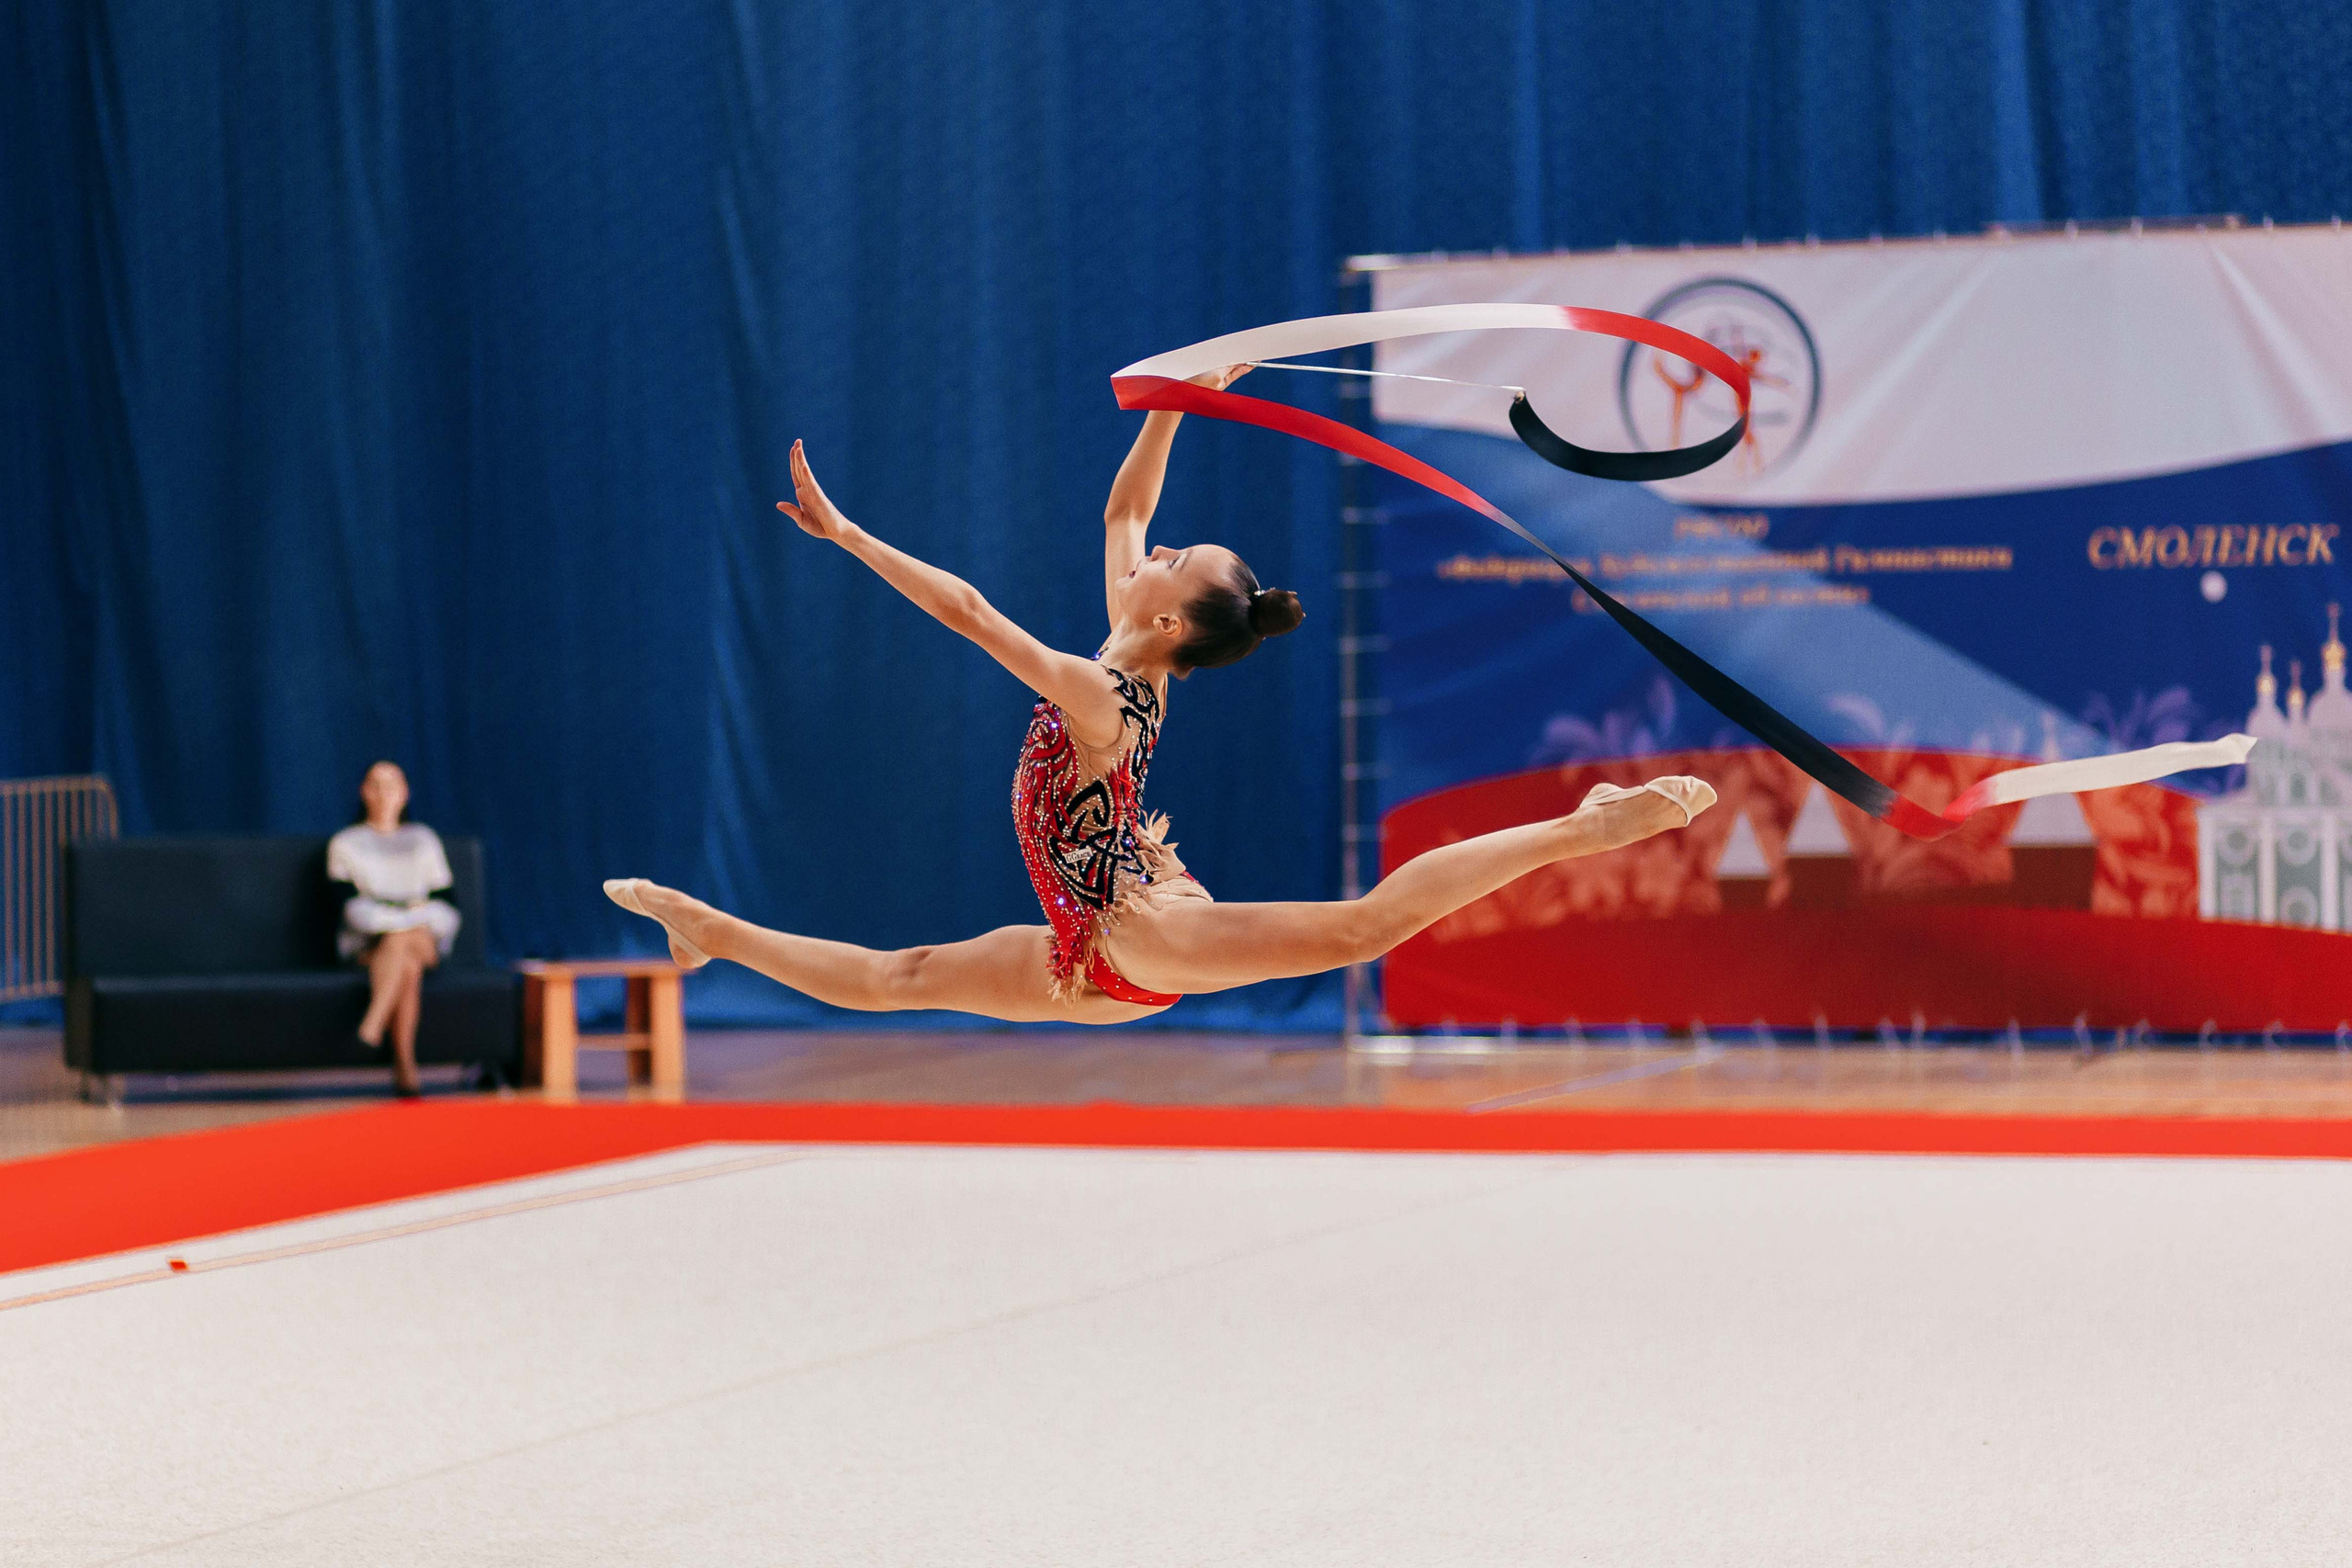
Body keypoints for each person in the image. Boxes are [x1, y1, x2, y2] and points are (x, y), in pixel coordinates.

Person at [605, 366, 1713, 1024]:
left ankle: (1582, 827)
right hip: (1085, 934)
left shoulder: (1100, 691)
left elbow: (973, 615)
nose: (1157, 546)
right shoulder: (1133, 659)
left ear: (1171, 618)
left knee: (1366, 928)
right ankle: (709, 931)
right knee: (901, 978)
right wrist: (1176, 405)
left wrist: (846, 535)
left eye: (1176, 558)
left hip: (1134, 935)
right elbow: (1120, 519)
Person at [328, 761, 460, 1095]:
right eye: (376, 784)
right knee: (407, 965)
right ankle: (405, 1067)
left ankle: (374, 1022)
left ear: (405, 793)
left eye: (393, 784)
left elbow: (447, 910)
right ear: (364, 792)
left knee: (406, 943)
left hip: (423, 939)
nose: (385, 793)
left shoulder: (423, 840)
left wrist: (399, 919)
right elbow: (354, 913)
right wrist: (408, 915)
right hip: (369, 946)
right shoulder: (346, 844)